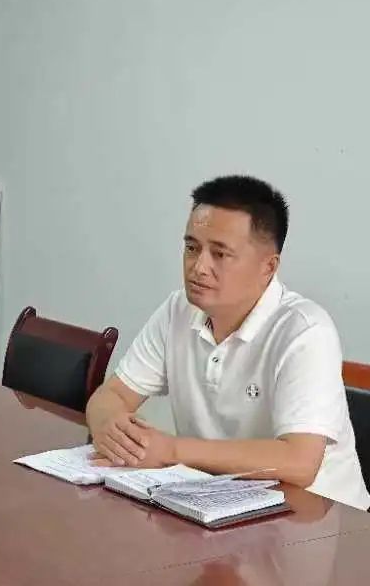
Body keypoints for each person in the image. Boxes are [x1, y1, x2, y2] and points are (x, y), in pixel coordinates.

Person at [86, 175, 370, 510]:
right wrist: (110, 428)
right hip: (217, 503)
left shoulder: (306, 331)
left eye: (219, 254)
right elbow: (113, 395)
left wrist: (171, 450)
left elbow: (299, 462)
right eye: (192, 248)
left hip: (320, 518)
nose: (198, 267)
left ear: (268, 267)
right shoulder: (178, 310)